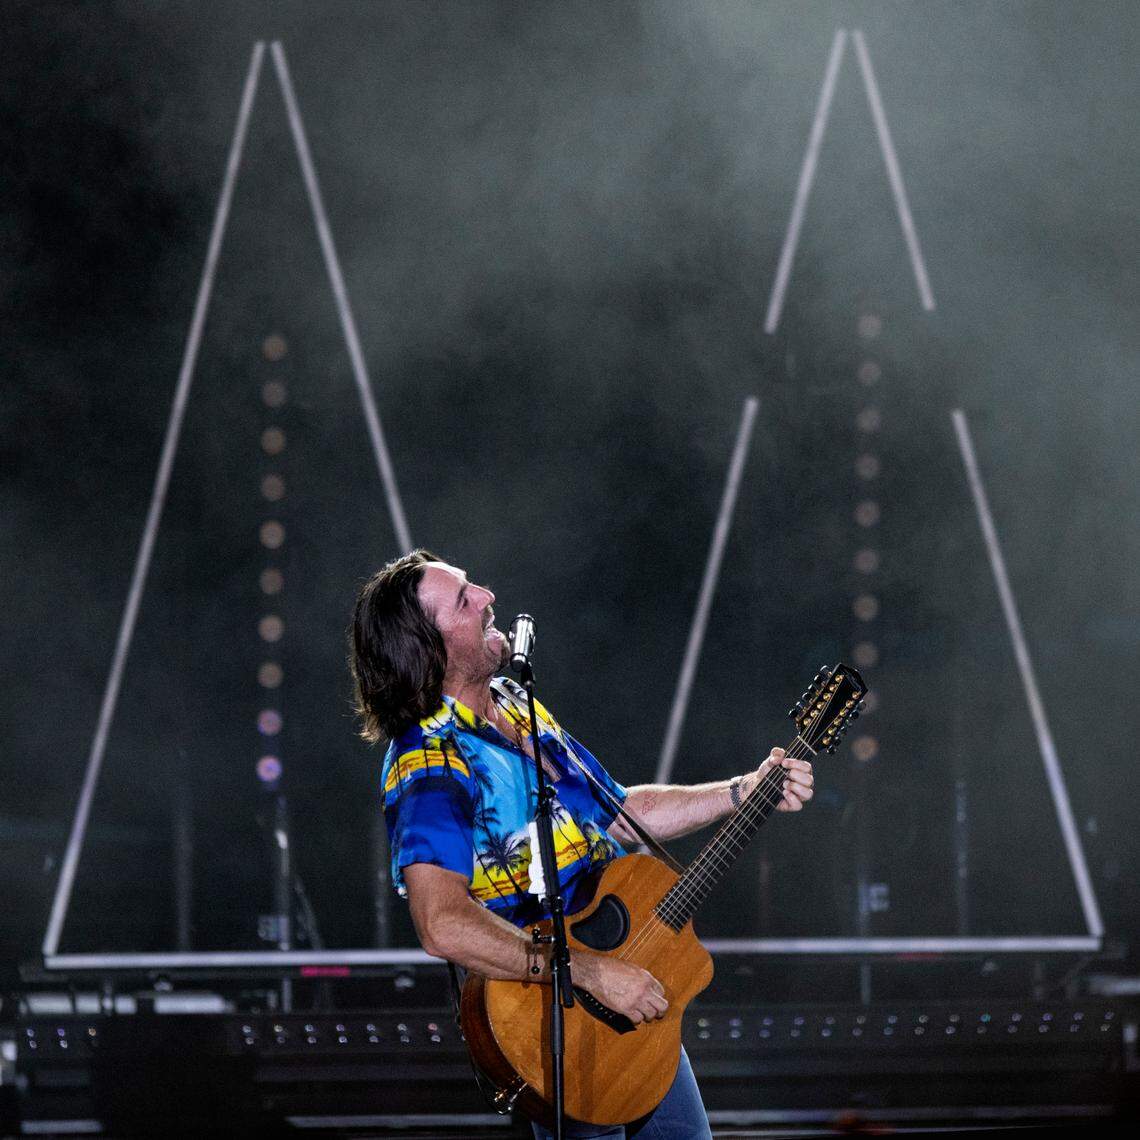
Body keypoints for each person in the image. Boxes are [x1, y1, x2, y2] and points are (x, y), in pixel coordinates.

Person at [350, 549, 815, 1139]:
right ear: (427, 648)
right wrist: (589, 975)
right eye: (466, 601)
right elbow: (440, 923)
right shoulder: (428, 761)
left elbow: (620, 814)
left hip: (627, 981)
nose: (489, 596)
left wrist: (743, 789)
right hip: (554, 1024)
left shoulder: (517, 707)